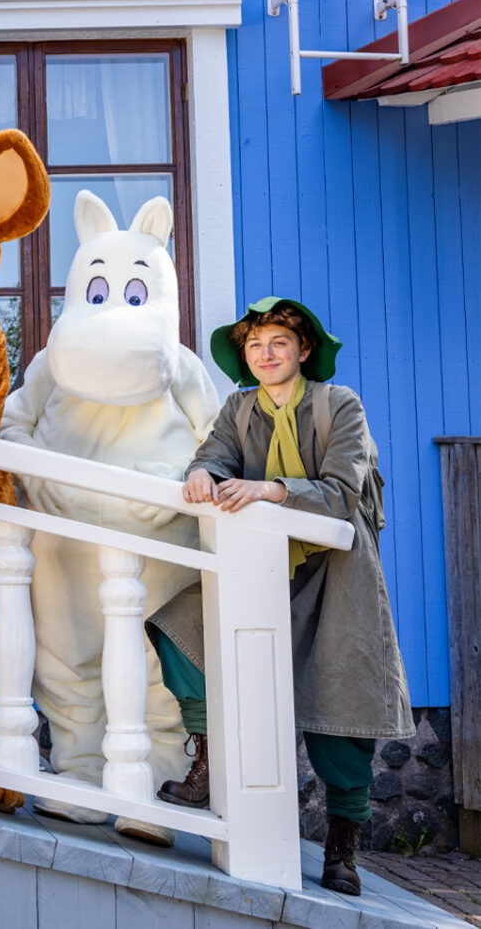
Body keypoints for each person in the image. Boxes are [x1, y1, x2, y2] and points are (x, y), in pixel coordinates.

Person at [146, 297, 413, 896]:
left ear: (304, 351)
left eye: (279, 344)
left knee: (340, 706)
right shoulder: (239, 408)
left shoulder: (340, 405)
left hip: (338, 575)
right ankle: (209, 756)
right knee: (181, 629)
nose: (266, 355)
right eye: (255, 346)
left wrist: (270, 489)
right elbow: (214, 455)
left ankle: (343, 844)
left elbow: (344, 490)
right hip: (262, 570)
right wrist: (203, 474)